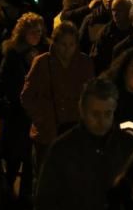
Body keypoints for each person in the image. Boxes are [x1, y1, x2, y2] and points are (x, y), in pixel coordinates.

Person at [35, 78, 133, 210]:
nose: (102, 121)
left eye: (108, 114)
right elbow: (46, 204)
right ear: (82, 111)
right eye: (95, 114)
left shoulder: (126, 146)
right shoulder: (62, 150)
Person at [21, 21, 94, 169]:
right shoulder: (42, 62)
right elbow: (27, 96)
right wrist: (41, 118)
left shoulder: (84, 63)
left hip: (74, 128)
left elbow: (91, 94)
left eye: (71, 44)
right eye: (63, 44)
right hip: (48, 131)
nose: (67, 49)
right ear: (55, 43)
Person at [0, 13, 49, 201]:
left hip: (35, 114)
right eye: (32, 32)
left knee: (30, 159)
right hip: (16, 114)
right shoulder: (13, 53)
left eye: (39, 32)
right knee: (12, 158)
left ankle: (26, 197)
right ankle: (7, 195)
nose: (36, 35)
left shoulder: (45, 52)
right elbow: (4, 81)